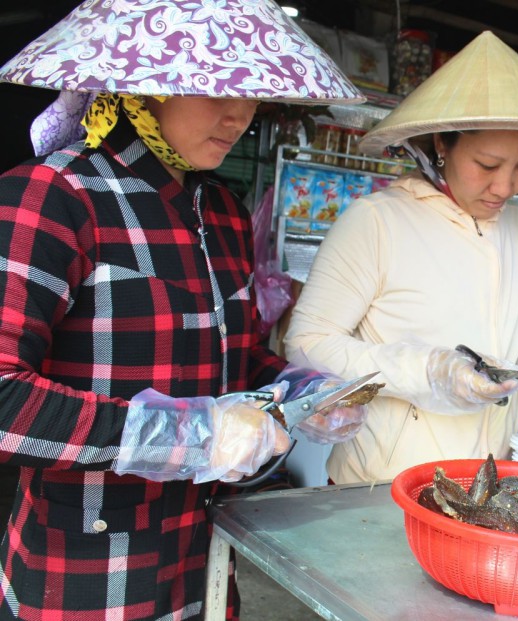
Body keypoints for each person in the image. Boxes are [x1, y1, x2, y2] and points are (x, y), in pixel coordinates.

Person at [0, 1, 370, 619]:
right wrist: (180, 435)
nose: (238, 114)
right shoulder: (51, 198)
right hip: (84, 573)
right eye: (211, 87)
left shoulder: (221, 212)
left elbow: (237, 359)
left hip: (203, 558)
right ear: (139, 87)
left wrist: (304, 389)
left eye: (250, 92)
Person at [283, 31, 518, 484]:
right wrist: (429, 371)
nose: (505, 187)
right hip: (384, 484)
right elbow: (307, 341)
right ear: (442, 144)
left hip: (487, 484)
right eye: (487, 164)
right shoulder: (378, 221)